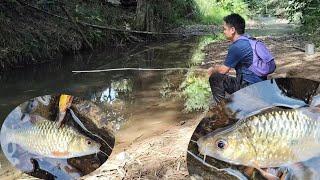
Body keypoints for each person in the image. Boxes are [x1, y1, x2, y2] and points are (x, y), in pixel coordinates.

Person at [208, 13, 269, 104]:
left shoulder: (237, 47)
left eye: (224, 29)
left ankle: (221, 110)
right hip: (262, 89)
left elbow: (223, 71)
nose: (223, 31)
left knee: (215, 77)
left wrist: (213, 69)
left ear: (232, 30)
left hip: (250, 91)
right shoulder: (250, 40)